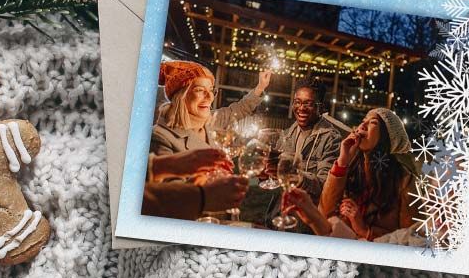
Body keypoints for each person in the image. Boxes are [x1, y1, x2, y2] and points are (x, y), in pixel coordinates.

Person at [282, 108, 419, 240]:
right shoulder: (351, 167)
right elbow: (325, 214)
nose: (362, 125)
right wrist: (342, 161)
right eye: (363, 120)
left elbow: (413, 237)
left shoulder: (404, 180)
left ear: (387, 137)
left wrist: (365, 231)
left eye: (373, 123)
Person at [148, 60, 271, 181]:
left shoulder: (211, 120)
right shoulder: (160, 137)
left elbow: (239, 108)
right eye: (200, 90)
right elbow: (169, 193)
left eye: (211, 90)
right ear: (181, 95)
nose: (209, 96)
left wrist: (260, 87)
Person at [274, 78, 341, 200]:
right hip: (280, 211)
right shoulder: (287, 134)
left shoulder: (331, 139)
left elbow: (326, 185)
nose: (301, 108)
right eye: (297, 102)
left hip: (308, 213)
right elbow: (277, 176)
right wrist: (266, 174)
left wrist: (296, 176)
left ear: (320, 106)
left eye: (308, 103)